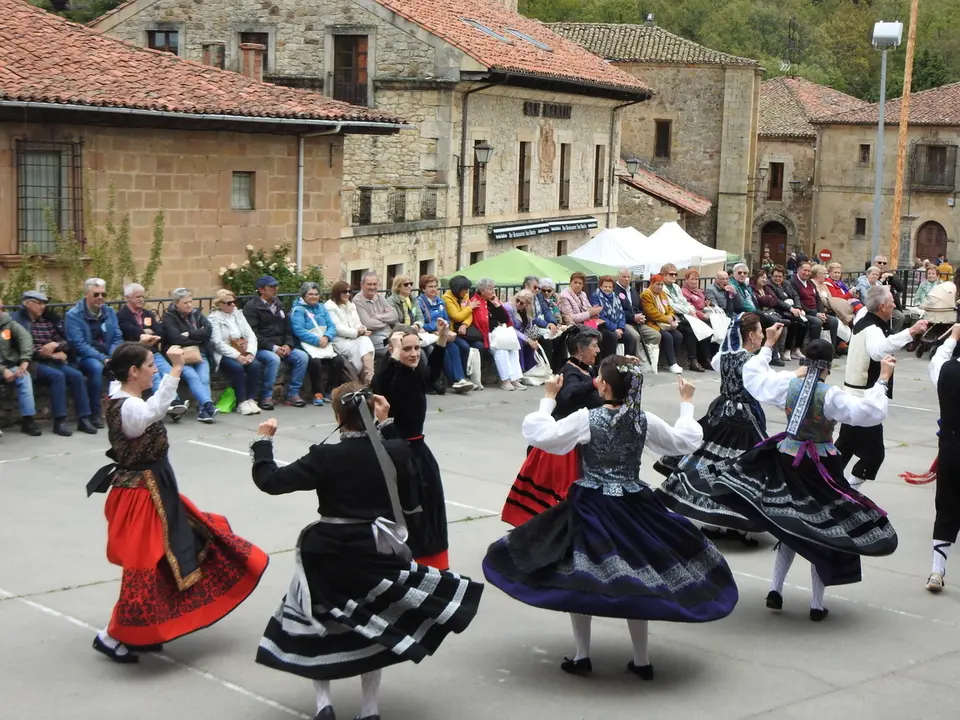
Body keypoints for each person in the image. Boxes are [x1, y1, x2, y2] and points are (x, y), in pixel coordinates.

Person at [483, 357, 738, 677]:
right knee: (640, 577)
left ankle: (582, 655)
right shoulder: (643, 419)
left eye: (599, 379)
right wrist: (686, 404)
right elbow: (683, 442)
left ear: (604, 385)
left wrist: (547, 398)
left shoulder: (587, 419)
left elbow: (543, 437)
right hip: (633, 506)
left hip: (592, 506)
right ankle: (641, 661)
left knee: (580, 575)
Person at [249, 386, 483, 720]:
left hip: (327, 552)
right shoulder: (395, 453)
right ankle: (369, 710)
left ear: (336, 417)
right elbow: (410, 491)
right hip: (375, 548)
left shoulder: (325, 456)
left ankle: (323, 706)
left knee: (318, 623)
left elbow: (270, 481)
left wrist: (262, 442)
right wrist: (386, 425)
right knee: (372, 625)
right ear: (372, 412)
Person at [668, 326, 898, 620]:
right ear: (828, 367)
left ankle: (775, 590)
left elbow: (753, 377)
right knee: (820, 531)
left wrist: (769, 344)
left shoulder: (788, 385)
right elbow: (870, 413)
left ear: (804, 364)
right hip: (819, 466)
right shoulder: (831, 395)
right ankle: (816, 604)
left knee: (788, 525)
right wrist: (882, 379)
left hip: (787, 459)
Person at [88, 343, 268, 663]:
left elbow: (140, 397)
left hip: (153, 487)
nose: (153, 369)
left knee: (178, 546)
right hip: (142, 494)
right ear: (133, 372)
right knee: (143, 565)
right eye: (149, 366)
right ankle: (112, 635)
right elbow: (155, 410)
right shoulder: (129, 407)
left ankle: (143, 631)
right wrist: (175, 369)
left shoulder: (120, 392)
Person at [500, 326, 604, 528]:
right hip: (563, 447)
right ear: (580, 350)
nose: (598, 350)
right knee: (561, 493)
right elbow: (567, 395)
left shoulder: (587, 369)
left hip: (580, 442)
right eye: (594, 346)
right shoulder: (569, 371)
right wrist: (592, 383)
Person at [373, 324, 451, 568]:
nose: (414, 353)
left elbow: (433, 377)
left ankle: (430, 560)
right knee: (406, 508)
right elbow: (383, 386)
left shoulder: (414, 371)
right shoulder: (390, 373)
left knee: (430, 506)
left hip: (418, 449)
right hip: (398, 450)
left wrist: (440, 341)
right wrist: (395, 353)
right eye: (407, 349)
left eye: (417, 347)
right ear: (394, 350)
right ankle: (403, 560)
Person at [836, 285, 929, 489]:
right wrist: (911, 331)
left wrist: (881, 285)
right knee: (874, 455)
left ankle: (824, 485)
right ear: (882, 306)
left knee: (845, 446)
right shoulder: (871, 328)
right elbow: (878, 351)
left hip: (854, 395)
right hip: (863, 397)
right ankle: (848, 492)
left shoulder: (864, 316)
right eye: (892, 302)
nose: (895, 304)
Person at [14, 290, 96, 435]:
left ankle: (84, 418)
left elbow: (65, 341)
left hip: (53, 359)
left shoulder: (48, 321)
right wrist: (51, 355)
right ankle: (60, 421)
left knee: (76, 376)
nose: (42, 307)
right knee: (57, 376)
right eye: (38, 303)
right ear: (27, 304)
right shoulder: (18, 321)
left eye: (44, 303)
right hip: (32, 363)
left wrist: (55, 345)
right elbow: (22, 347)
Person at [924, 324, 960, 593]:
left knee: (946, 506)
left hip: (950, 446)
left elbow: (937, 359)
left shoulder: (946, 369)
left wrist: (953, 337)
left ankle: (937, 570)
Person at [116, 283, 187, 415]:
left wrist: (148, 333)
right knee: (154, 376)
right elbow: (130, 332)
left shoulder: (147, 314)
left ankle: (174, 403)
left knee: (168, 372)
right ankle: (169, 404)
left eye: (142, 297)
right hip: (136, 353)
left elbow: (159, 330)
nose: (141, 300)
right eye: (137, 297)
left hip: (153, 351)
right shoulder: (121, 315)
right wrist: (145, 332)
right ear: (127, 298)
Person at [65, 278, 124, 428]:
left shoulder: (109, 312)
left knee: (130, 363)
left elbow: (117, 336)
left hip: (107, 353)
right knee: (96, 368)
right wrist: (104, 359)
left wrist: (112, 355)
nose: (100, 298)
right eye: (96, 294)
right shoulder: (73, 315)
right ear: (86, 294)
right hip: (85, 355)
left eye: (103, 294)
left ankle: (124, 411)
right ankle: (95, 413)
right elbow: (79, 344)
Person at [243, 275, 309, 408]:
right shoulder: (251, 307)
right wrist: (273, 348)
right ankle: (266, 396)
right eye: (271, 287)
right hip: (262, 348)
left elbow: (288, 328)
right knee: (274, 359)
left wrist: (288, 345)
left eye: (275, 286)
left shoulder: (278, 304)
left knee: (302, 357)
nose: (275, 289)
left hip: (281, 344)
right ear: (261, 290)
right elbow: (253, 335)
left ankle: (293, 394)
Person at [160, 288, 218, 423]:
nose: (189, 305)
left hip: (200, 353)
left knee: (204, 379)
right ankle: (208, 406)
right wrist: (198, 337)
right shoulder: (169, 317)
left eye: (191, 302)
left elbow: (208, 331)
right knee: (192, 376)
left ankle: (204, 411)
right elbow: (176, 339)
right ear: (176, 303)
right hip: (181, 355)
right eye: (185, 302)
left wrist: (190, 334)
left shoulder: (197, 314)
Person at [290, 282, 347, 406]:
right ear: (304, 295)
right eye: (310, 294)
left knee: (339, 361)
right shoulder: (298, 310)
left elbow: (331, 325)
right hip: (306, 344)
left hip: (324, 343)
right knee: (314, 362)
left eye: (316, 294)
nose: (314, 296)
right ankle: (317, 393)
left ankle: (331, 390)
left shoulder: (321, 308)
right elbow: (298, 330)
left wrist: (327, 337)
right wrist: (316, 340)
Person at [208, 289, 262, 416]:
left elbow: (251, 335)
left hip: (242, 348)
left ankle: (251, 399)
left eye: (234, 302)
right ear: (220, 304)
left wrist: (250, 353)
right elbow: (217, 343)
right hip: (224, 353)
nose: (233, 305)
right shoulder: (214, 318)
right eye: (228, 303)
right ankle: (241, 402)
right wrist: (237, 356)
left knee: (255, 365)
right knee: (237, 368)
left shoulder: (238, 314)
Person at [418, 274, 474, 392]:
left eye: (435, 286)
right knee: (444, 352)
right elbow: (422, 322)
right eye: (430, 287)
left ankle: (460, 379)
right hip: (430, 334)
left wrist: (444, 328)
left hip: (442, 332)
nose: (434, 289)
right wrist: (436, 328)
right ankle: (454, 380)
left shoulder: (440, 301)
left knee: (454, 347)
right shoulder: (420, 302)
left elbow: (447, 318)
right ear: (423, 289)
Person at [471, 277, 525, 391]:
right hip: (487, 335)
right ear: (482, 290)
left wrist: (497, 305)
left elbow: (505, 319)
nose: (493, 291)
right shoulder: (475, 301)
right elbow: (479, 322)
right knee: (501, 350)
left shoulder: (493, 301)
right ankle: (505, 380)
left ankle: (514, 379)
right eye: (490, 289)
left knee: (513, 348)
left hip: (499, 333)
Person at [324, 280, 376, 386]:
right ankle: (369, 378)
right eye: (344, 291)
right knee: (364, 345)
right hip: (339, 341)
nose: (347, 294)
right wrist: (357, 332)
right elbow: (337, 328)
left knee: (365, 341)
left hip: (354, 339)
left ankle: (369, 377)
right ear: (337, 292)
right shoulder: (330, 306)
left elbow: (358, 323)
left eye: (349, 291)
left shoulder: (351, 305)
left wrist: (363, 329)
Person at [662, 263, 712, 371]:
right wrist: (688, 310)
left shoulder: (675, 287)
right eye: (671, 274)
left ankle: (705, 358)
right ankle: (693, 360)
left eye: (675, 274)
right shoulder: (663, 288)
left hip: (685, 316)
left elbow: (684, 302)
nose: (674, 276)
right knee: (690, 331)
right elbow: (672, 306)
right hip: (674, 317)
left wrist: (691, 309)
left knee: (702, 327)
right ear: (664, 275)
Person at [1, 309, 42, 436]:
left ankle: (28, 420)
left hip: (8, 364)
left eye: (1, 308)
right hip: (3, 368)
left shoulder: (7, 323)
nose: (1, 312)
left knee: (24, 376)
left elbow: (25, 338)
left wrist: (25, 360)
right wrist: (2, 370)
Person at [640, 275, 685, 375]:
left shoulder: (663, 294)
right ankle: (672, 363)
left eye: (661, 284)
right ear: (651, 284)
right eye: (658, 284)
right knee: (667, 337)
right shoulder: (646, 295)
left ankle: (672, 361)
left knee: (678, 336)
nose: (660, 287)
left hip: (666, 323)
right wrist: (667, 319)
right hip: (652, 323)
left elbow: (670, 308)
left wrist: (671, 317)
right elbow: (651, 313)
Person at [615, 269, 659, 361]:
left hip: (638, 321)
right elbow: (618, 311)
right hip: (624, 322)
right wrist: (633, 317)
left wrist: (641, 316)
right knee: (635, 336)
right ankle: (636, 361)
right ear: (618, 277)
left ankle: (649, 359)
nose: (626, 279)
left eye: (628, 277)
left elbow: (640, 306)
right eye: (624, 277)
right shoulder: (615, 290)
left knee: (655, 335)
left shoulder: (633, 290)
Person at [559, 272, 608, 356]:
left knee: (608, 334)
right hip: (575, 326)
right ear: (570, 283)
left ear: (583, 285)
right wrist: (589, 313)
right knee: (598, 335)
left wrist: (594, 311)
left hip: (587, 323)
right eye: (575, 282)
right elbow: (571, 317)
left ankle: (603, 363)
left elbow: (588, 308)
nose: (577, 285)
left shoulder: (583, 294)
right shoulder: (564, 295)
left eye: (580, 283)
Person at [792, 261, 839, 348]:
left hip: (816, 312)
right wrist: (816, 314)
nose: (807, 273)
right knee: (816, 322)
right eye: (804, 270)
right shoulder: (793, 282)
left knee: (833, 321)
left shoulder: (810, 283)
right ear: (798, 270)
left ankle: (831, 349)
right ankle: (814, 350)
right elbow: (798, 302)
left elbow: (818, 299)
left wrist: (822, 313)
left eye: (809, 271)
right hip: (804, 312)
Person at [522, 275, 563, 370]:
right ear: (527, 287)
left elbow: (546, 310)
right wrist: (546, 324)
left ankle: (558, 369)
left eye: (538, 288)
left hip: (541, 326)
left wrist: (552, 323)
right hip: (529, 328)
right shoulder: (523, 297)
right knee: (547, 341)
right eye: (535, 287)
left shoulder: (539, 296)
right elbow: (532, 317)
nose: (537, 290)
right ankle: (545, 370)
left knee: (559, 336)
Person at [354, 271, 397, 361]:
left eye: (375, 284)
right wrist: (386, 321)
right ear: (362, 285)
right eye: (369, 284)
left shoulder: (380, 297)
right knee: (396, 350)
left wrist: (378, 316)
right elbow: (368, 324)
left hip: (388, 333)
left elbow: (394, 315)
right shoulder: (358, 300)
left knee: (418, 347)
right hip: (373, 337)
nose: (372, 287)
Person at [769, 265, 806, 359]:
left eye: (780, 276)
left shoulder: (787, 283)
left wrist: (798, 307)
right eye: (775, 276)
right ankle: (787, 350)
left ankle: (796, 349)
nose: (777, 278)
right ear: (771, 276)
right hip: (781, 310)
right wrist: (791, 309)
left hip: (793, 309)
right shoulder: (769, 286)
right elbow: (777, 300)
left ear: (783, 277)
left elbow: (795, 295)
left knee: (804, 323)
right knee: (793, 323)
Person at [590, 275, 628, 355]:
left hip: (617, 326)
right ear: (600, 286)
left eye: (610, 287)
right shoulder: (595, 296)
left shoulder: (615, 296)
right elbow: (601, 316)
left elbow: (621, 313)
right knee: (612, 336)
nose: (607, 289)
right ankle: (610, 363)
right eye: (605, 286)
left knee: (630, 337)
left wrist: (620, 328)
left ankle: (627, 363)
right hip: (603, 326)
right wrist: (615, 329)